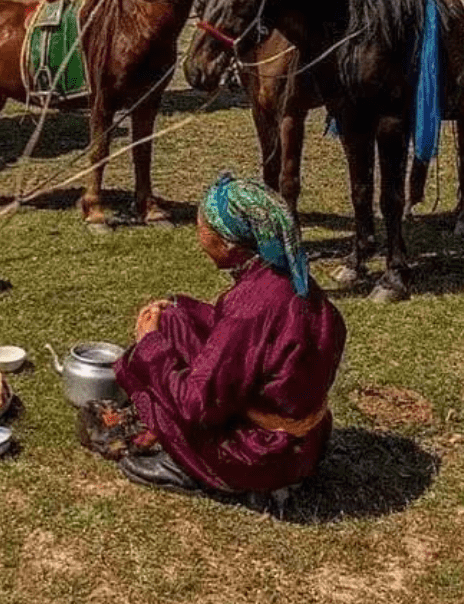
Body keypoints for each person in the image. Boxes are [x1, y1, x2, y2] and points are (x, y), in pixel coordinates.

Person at [106, 172, 346, 497]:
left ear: (227, 242)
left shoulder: (251, 307)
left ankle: (187, 465)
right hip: (309, 442)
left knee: (156, 377)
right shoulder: (291, 279)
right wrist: (180, 312)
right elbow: (255, 341)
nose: (199, 235)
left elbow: (195, 405)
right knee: (174, 320)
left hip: (265, 456)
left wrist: (150, 345)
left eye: (202, 227)